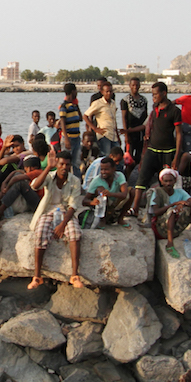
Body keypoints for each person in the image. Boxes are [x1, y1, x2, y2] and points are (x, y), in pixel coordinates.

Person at [28, 151, 84, 291]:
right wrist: (48, 167)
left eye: (67, 164)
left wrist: (62, 225)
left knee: (75, 234)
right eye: (61, 164)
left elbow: (73, 206)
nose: (64, 167)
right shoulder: (50, 177)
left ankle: (74, 275)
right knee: (40, 234)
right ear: (57, 164)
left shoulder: (75, 181)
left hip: (65, 213)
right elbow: (35, 186)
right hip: (48, 211)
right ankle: (37, 276)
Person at [129, 82, 182, 218]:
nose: (153, 97)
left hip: (167, 151)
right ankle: (134, 208)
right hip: (152, 149)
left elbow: (179, 134)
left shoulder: (174, 111)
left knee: (167, 182)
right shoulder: (154, 109)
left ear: (164, 93)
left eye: (155, 94)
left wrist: (176, 156)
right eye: (152, 95)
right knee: (142, 178)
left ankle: (166, 208)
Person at [147, 168, 191, 258]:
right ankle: (170, 244)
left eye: (170, 181)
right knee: (173, 211)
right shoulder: (158, 192)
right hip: (161, 228)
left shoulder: (179, 192)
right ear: (162, 182)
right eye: (166, 181)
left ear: (175, 181)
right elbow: (156, 212)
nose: (168, 183)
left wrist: (184, 204)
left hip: (176, 227)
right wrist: (174, 204)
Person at [81, 156, 132, 228]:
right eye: (102, 169)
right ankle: (103, 219)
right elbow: (84, 201)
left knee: (132, 191)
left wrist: (110, 194)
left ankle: (121, 218)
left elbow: (124, 194)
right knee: (100, 190)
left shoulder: (119, 175)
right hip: (103, 204)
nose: (103, 172)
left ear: (114, 169)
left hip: (116, 201)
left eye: (106, 169)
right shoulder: (96, 180)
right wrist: (92, 202)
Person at [84, 81, 120, 157]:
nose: (109, 93)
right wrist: (95, 128)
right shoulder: (98, 103)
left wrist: (118, 135)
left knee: (118, 156)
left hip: (113, 135)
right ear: (102, 92)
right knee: (105, 156)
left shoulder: (113, 103)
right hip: (104, 135)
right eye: (107, 92)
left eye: (110, 91)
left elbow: (114, 120)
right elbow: (85, 116)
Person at [120, 77, 148, 167]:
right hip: (130, 131)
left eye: (137, 85)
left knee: (140, 155)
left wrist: (147, 132)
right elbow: (124, 118)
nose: (135, 87)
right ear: (130, 86)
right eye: (133, 85)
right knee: (129, 157)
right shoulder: (125, 100)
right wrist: (126, 134)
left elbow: (146, 116)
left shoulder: (144, 100)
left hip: (141, 131)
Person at [58, 83, 84, 177]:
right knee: (66, 161)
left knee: (76, 163)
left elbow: (80, 118)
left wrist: (77, 105)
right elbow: (63, 123)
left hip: (76, 138)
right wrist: (66, 139)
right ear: (72, 91)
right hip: (69, 138)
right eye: (76, 90)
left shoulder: (74, 106)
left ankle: (77, 181)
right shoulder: (64, 107)